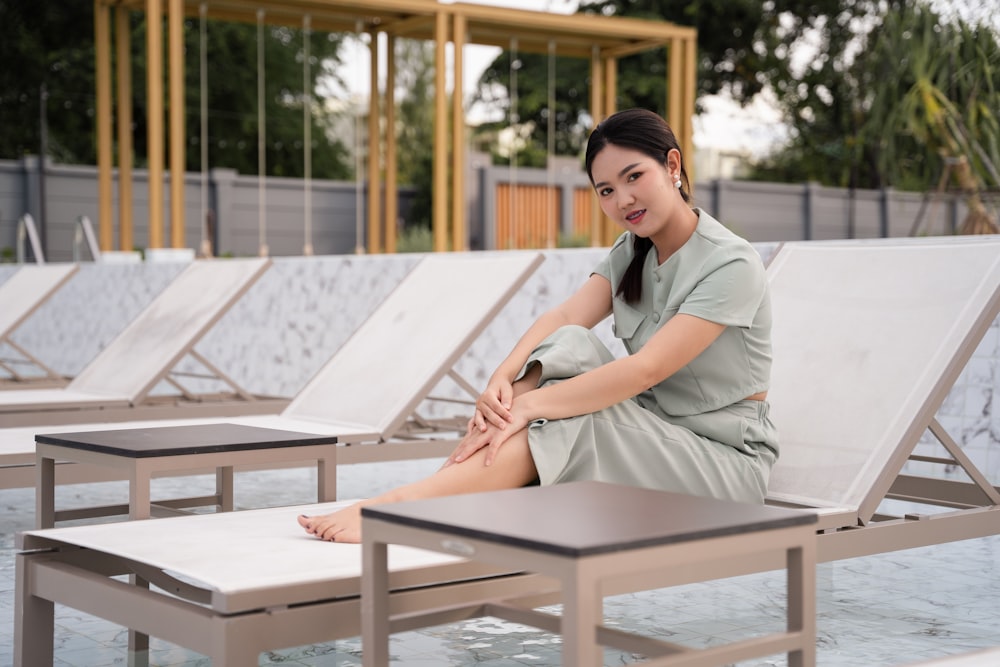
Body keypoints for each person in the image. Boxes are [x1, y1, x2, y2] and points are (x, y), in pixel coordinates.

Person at [298, 108, 778, 543]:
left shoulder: (730, 262)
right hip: (654, 432)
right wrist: (502, 381)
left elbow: (645, 370)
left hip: (721, 464)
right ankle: (447, 487)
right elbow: (566, 318)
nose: (623, 199)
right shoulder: (633, 251)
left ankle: (410, 503)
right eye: (606, 190)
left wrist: (530, 409)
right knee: (566, 344)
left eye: (635, 177)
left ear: (672, 166)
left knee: (564, 420)